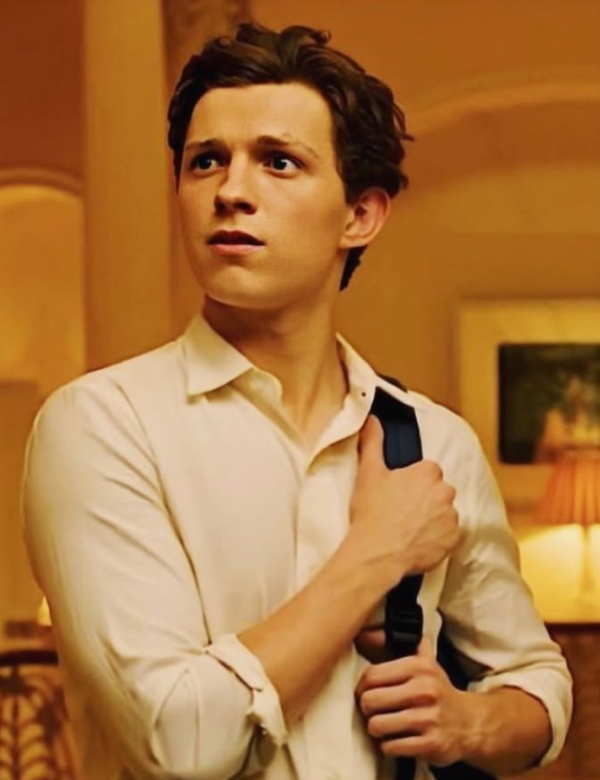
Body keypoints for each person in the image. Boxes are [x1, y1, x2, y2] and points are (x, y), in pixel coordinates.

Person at [22, 22, 572, 780]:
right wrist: (378, 552)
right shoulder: (102, 427)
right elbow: (177, 743)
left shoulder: (431, 442)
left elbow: (538, 683)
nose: (230, 192)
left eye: (278, 161)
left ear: (360, 215)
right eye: (206, 161)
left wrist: (470, 721)